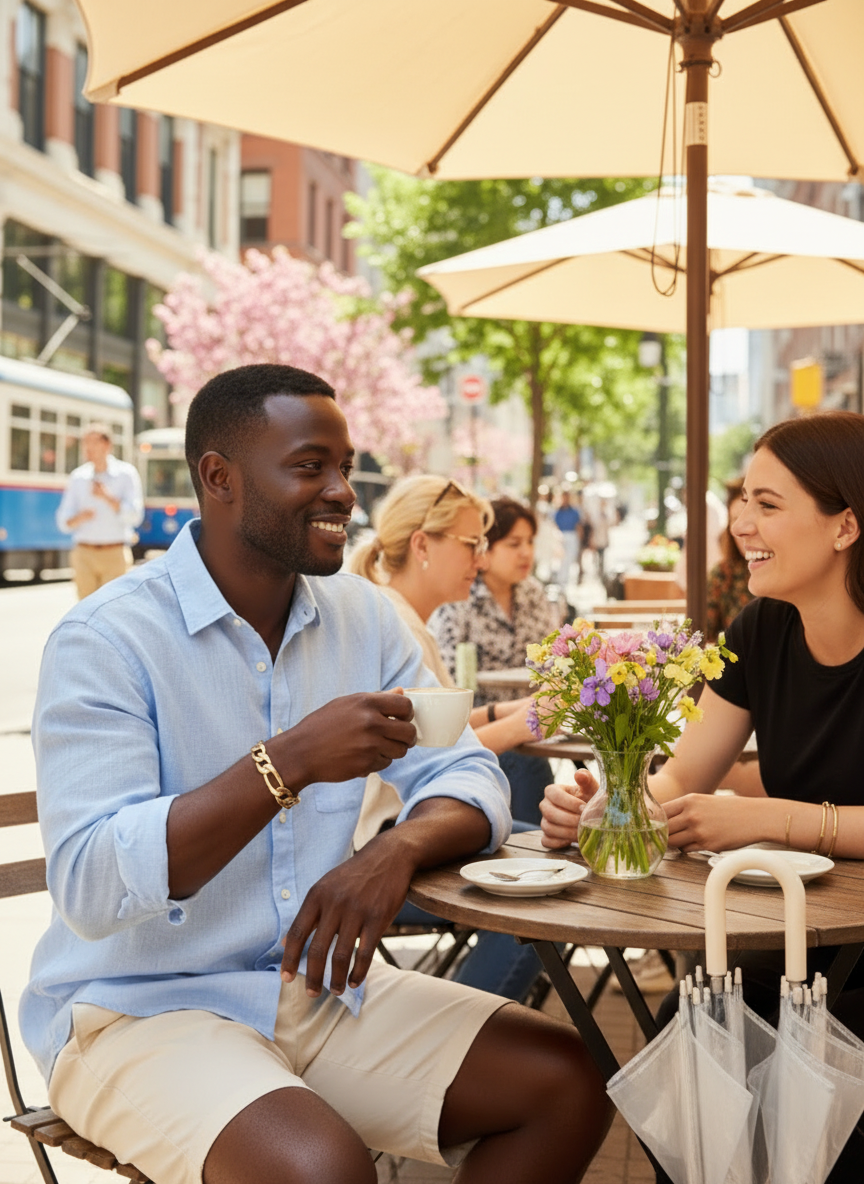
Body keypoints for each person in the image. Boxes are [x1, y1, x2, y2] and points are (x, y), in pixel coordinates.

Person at [24, 364, 611, 1184]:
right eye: (310, 467)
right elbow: (89, 883)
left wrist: (390, 855)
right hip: (135, 1010)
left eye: (344, 467)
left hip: (312, 988)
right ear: (218, 478)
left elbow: (470, 775)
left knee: (568, 1082)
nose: (342, 491)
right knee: (321, 1170)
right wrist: (288, 763)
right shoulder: (108, 639)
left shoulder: (362, 619)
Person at [540, 409, 864, 1184]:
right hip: (786, 935)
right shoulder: (760, 631)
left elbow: (746, 808)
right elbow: (681, 777)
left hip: (842, 957)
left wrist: (770, 821)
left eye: (768, 503)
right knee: (691, 1082)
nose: (740, 522)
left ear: (846, 524)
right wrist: (609, 805)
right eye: (742, 500)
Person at [350, 480, 550, 1004]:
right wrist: (525, 722)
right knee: (542, 887)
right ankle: (468, 1023)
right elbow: (438, 752)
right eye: (470, 544)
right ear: (422, 545)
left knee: (547, 844)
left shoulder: (396, 614)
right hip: (385, 839)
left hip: (400, 826)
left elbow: (438, 729)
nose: (480, 560)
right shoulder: (395, 623)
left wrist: (508, 712)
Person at [430, 496, 561, 827]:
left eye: (530, 542)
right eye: (514, 543)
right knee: (526, 764)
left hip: (536, 725)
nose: (526, 552)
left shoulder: (532, 594)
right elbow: (448, 683)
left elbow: (557, 659)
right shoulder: (460, 597)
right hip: (480, 733)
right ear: (485, 550)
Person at [55, 422, 144, 598]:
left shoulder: (126, 474)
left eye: (94, 442)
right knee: (84, 611)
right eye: (85, 442)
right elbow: (63, 522)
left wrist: (108, 498)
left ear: (107, 445)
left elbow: (135, 516)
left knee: (114, 609)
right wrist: (79, 518)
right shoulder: (78, 477)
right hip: (84, 554)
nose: (88, 447)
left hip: (115, 554)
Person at [705, 475, 754, 643]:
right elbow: (703, 637)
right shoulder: (723, 574)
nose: (741, 529)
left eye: (750, 519)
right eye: (735, 519)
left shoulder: (787, 572)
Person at [554, 488, 581, 589]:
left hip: (572, 536)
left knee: (569, 560)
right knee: (561, 560)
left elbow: (578, 526)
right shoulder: (557, 512)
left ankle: (565, 583)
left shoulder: (574, 511)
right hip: (561, 536)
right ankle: (560, 582)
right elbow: (554, 525)